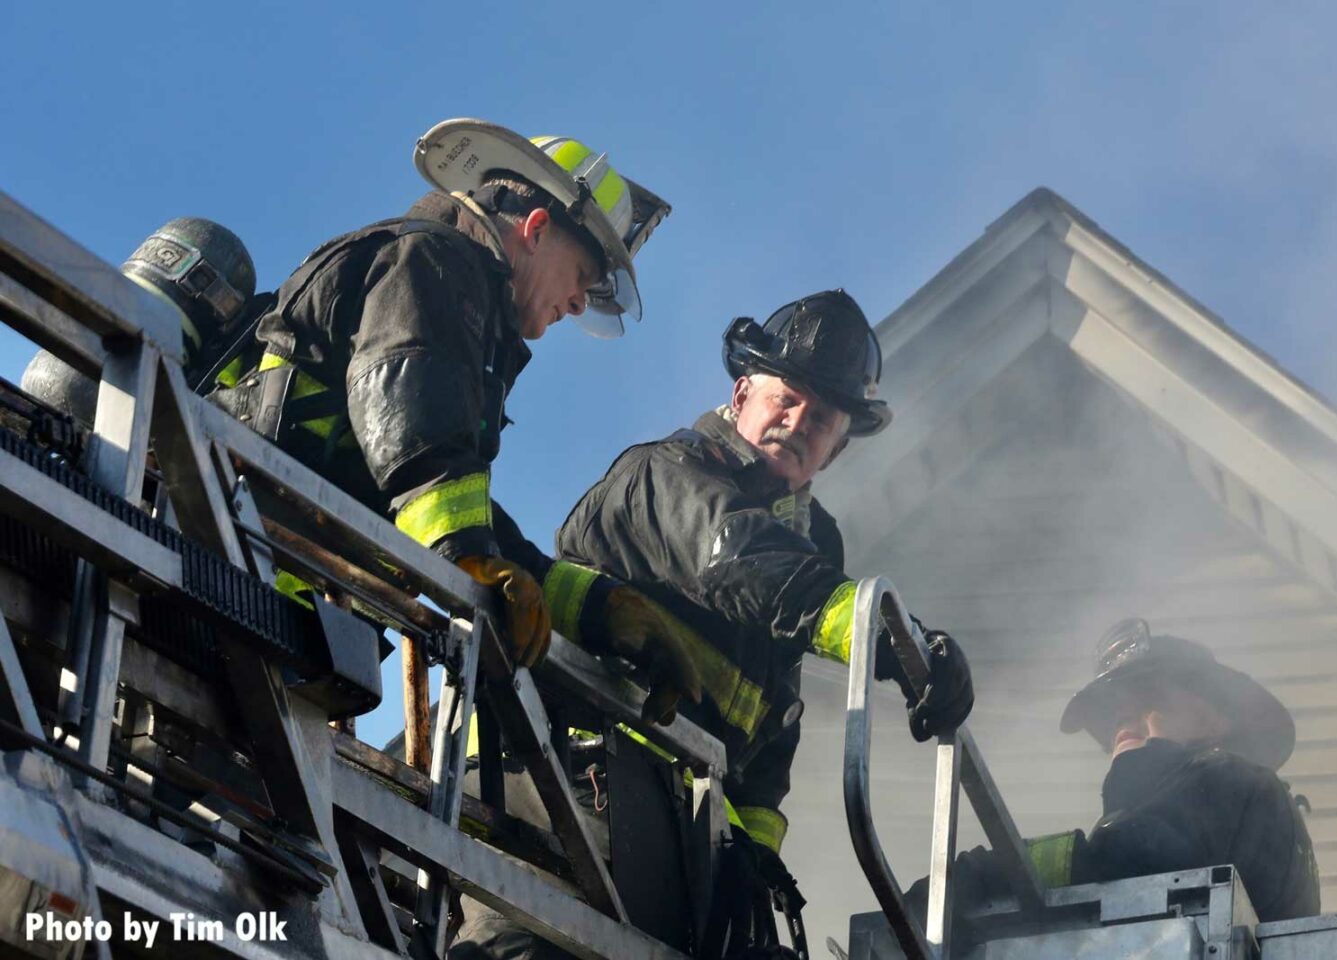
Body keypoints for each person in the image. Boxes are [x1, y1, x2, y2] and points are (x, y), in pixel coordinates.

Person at [478, 290, 972, 956]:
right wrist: (888, 634)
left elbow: (769, 732)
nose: (798, 422)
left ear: (835, 452)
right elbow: (733, 558)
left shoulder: (810, 543)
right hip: (567, 789)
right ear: (741, 396)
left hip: (668, 824)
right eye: (786, 398)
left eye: (821, 416)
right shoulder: (664, 475)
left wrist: (753, 858)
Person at [207, 119, 700, 719]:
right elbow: (412, 419)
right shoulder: (432, 262)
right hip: (244, 575)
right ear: (536, 229)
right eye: (581, 278)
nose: (577, 303)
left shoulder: (456, 302)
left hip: (277, 593)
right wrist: (466, 557)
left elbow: (456, 502)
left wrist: (602, 611)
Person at [907, 618, 1320, 930]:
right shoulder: (1223, 801)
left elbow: (1117, 858)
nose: (1121, 716)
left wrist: (978, 872)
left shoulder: (1232, 780)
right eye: (1111, 712)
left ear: (1213, 718)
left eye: (1146, 695)